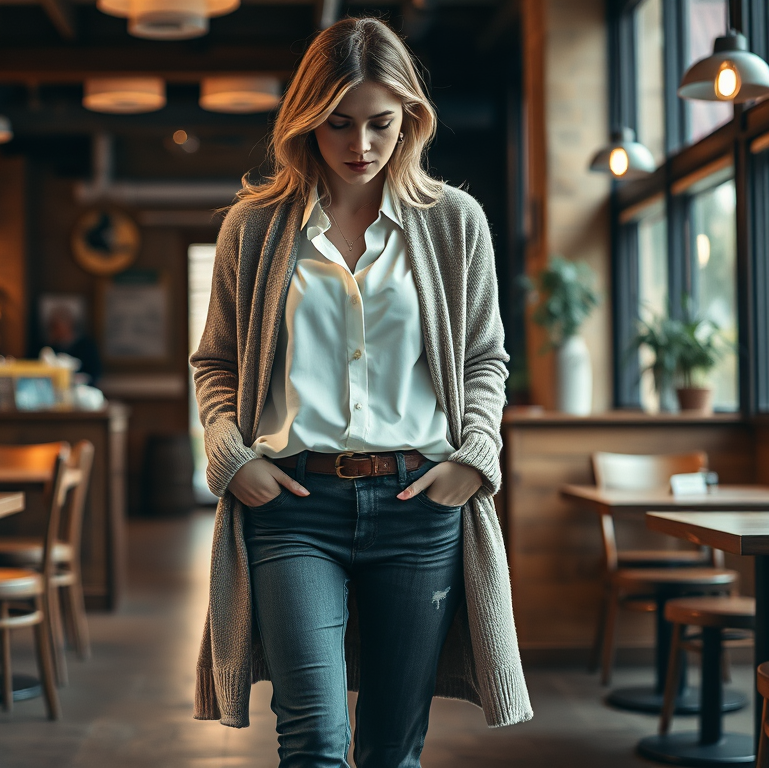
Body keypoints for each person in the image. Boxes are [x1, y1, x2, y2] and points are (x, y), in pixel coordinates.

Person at [191, 17, 532, 768]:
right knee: (310, 739)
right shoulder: (254, 228)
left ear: (411, 118)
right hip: (292, 509)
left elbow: (484, 359)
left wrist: (473, 459)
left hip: (421, 504)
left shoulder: (454, 224)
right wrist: (231, 457)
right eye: (338, 123)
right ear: (306, 121)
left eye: (381, 123)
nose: (361, 145)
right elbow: (215, 363)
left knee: (391, 748)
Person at [45, 305, 101, 386]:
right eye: (52, 326)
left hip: (82, 392)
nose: (54, 330)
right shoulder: (49, 348)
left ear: (69, 324)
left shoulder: (86, 346)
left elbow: (95, 373)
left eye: (56, 326)